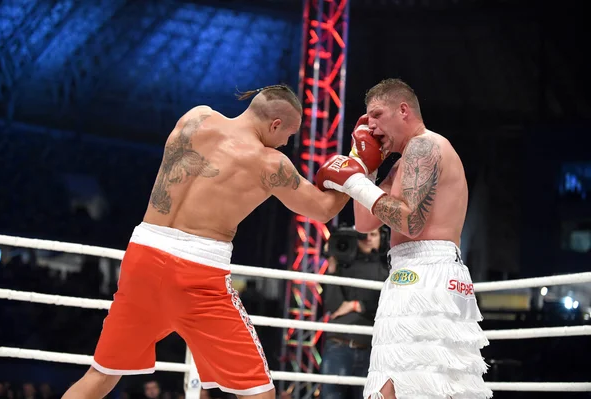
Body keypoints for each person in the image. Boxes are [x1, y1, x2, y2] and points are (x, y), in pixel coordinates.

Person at [62, 84, 350, 399]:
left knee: (101, 375)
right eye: (289, 135)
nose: (286, 143)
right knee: (259, 392)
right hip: (197, 273)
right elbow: (324, 210)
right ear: (275, 124)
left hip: (143, 256)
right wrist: (360, 166)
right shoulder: (270, 163)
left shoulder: (196, 118)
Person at [315, 78, 492, 399]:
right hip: (409, 273)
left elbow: (410, 221)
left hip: (427, 274)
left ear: (404, 110)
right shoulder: (401, 164)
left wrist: (354, 182)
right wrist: (364, 167)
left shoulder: (426, 147)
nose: (370, 125)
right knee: (395, 386)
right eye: (366, 118)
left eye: (377, 115)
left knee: (420, 388)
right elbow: (364, 222)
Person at [320, 227, 389, 399]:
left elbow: (387, 306)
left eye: (373, 234)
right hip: (338, 346)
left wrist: (357, 305)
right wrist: (333, 266)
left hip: (370, 351)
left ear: (382, 237)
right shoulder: (342, 267)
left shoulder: (387, 269)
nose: (367, 238)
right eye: (363, 235)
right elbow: (332, 306)